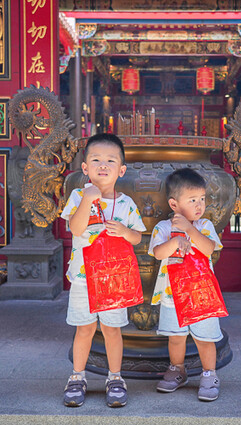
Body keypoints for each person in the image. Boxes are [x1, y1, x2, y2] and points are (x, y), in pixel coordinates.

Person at [61, 134, 146, 407]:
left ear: (121, 170)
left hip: (114, 280)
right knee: (84, 328)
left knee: (112, 330)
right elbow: (74, 229)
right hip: (84, 278)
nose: (103, 165)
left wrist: (124, 231)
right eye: (95, 160)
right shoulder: (77, 196)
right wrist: (87, 199)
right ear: (85, 168)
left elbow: (137, 238)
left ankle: (115, 377)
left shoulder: (126, 203)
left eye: (110, 160)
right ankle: (77, 377)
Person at [149, 168, 225, 401]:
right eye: (192, 200)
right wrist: (176, 240)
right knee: (176, 337)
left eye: (202, 199)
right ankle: (177, 370)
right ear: (174, 204)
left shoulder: (205, 226)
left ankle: (209, 374)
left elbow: (210, 248)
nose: (199, 205)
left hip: (201, 294)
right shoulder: (163, 228)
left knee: (205, 338)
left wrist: (190, 231)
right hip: (173, 295)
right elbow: (158, 253)